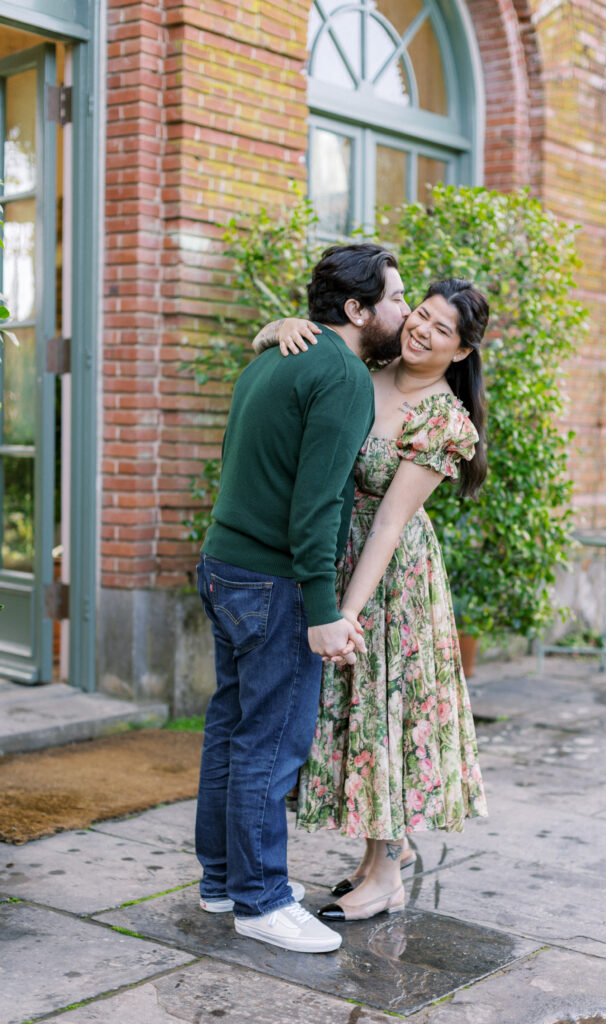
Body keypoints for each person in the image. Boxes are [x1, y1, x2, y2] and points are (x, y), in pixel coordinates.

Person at [195, 243, 410, 953]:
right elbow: (315, 507)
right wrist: (323, 610)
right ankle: (260, 902)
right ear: (357, 309)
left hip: (224, 566)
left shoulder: (275, 355)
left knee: (229, 730)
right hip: (273, 583)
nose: (404, 312)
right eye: (396, 299)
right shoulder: (342, 375)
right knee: (267, 743)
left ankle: (222, 882)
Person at [253, 278, 489, 923]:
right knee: (358, 710)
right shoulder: (370, 365)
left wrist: (346, 611)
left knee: (389, 709)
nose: (423, 330)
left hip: (390, 578)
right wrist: (278, 327)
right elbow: (316, 344)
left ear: (462, 351)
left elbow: (388, 523)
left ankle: (386, 877)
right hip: (335, 552)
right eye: (421, 315)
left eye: (443, 330)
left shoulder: (443, 418)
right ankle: (375, 858)